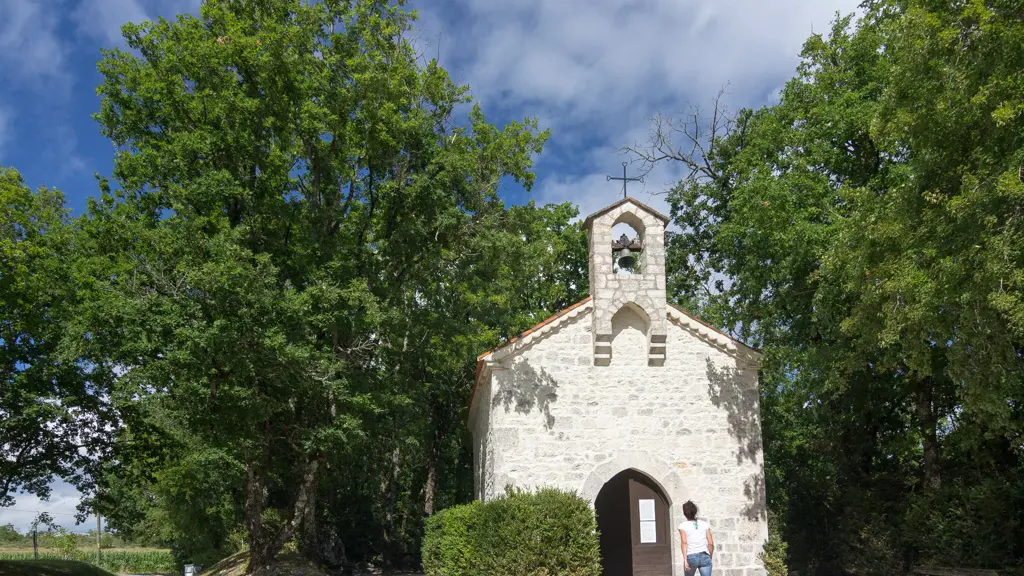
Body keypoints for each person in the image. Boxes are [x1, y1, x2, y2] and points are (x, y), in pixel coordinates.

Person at [679, 500, 714, 576]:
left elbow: (684, 543)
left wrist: (685, 560)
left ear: (684, 513)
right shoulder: (705, 524)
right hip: (705, 555)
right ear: (695, 511)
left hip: (691, 556)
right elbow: (710, 543)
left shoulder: (682, 526)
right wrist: (709, 556)